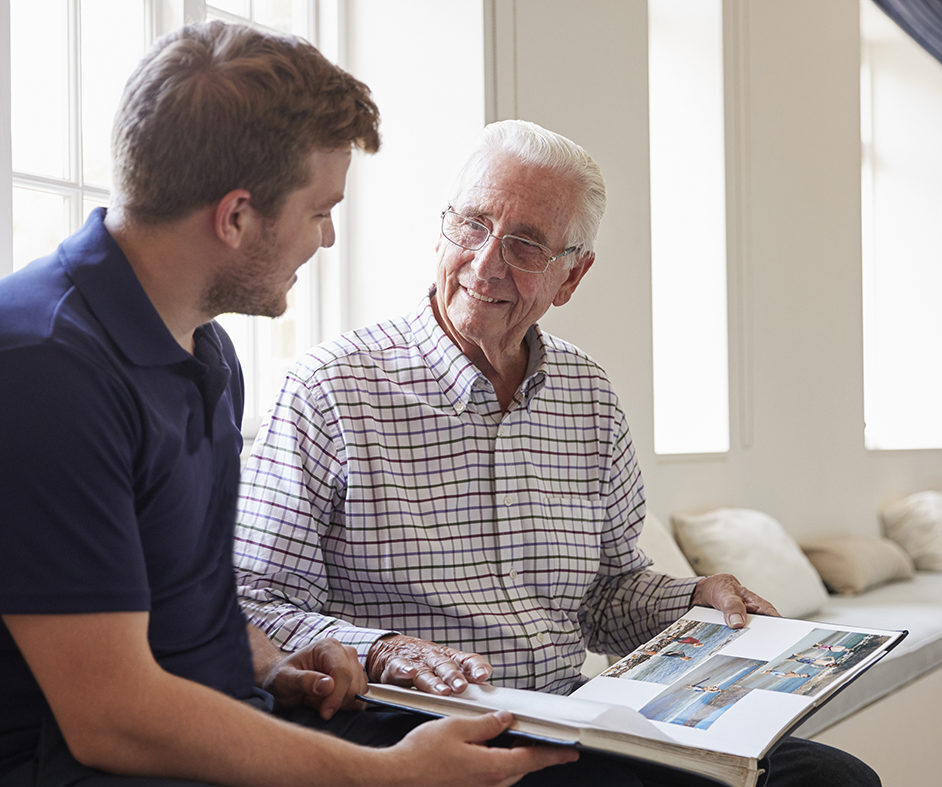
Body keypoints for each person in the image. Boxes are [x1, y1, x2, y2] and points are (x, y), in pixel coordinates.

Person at [0, 23, 579, 787]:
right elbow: (112, 715)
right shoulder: (42, 367)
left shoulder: (204, 349)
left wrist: (274, 663)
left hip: (231, 730)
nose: (330, 237)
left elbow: (180, 605)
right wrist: (392, 773)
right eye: (319, 210)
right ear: (236, 216)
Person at [234, 119, 880, 785]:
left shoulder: (589, 396)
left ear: (572, 276)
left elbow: (606, 594)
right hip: (408, 725)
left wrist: (696, 599)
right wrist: (387, 649)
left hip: (569, 714)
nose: (486, 263)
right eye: (473, 224)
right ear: (441, 227)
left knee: (829, 777)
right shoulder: (329, 389)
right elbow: (253, 600)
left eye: (525, 246)